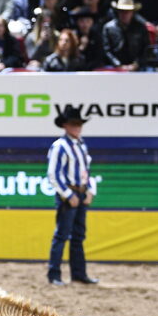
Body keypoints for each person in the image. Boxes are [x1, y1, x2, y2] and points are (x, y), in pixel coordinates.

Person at [46, 105, 98, 286]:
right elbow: (53, 174)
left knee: (78, 235)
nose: (77, 127)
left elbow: (86, 171)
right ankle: (54, 275)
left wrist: (90, 190)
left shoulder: (81, 144)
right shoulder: (60, 146)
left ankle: (78, 273)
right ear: (65, 126)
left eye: (79, 124)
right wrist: (68, 194)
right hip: (69, 194)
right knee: (62, 235)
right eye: (73, 124)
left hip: (81, 193)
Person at [102, 0, 149, 70]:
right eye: (122, 11)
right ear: (118, 12)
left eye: (127, 11)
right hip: (114, 66)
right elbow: (106, 50)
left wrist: (136, 64)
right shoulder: (108, 28)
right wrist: (118, 65)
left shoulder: (140, 28)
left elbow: (145, 49)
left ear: (132, 13)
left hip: (138, 66)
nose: (124, 14)